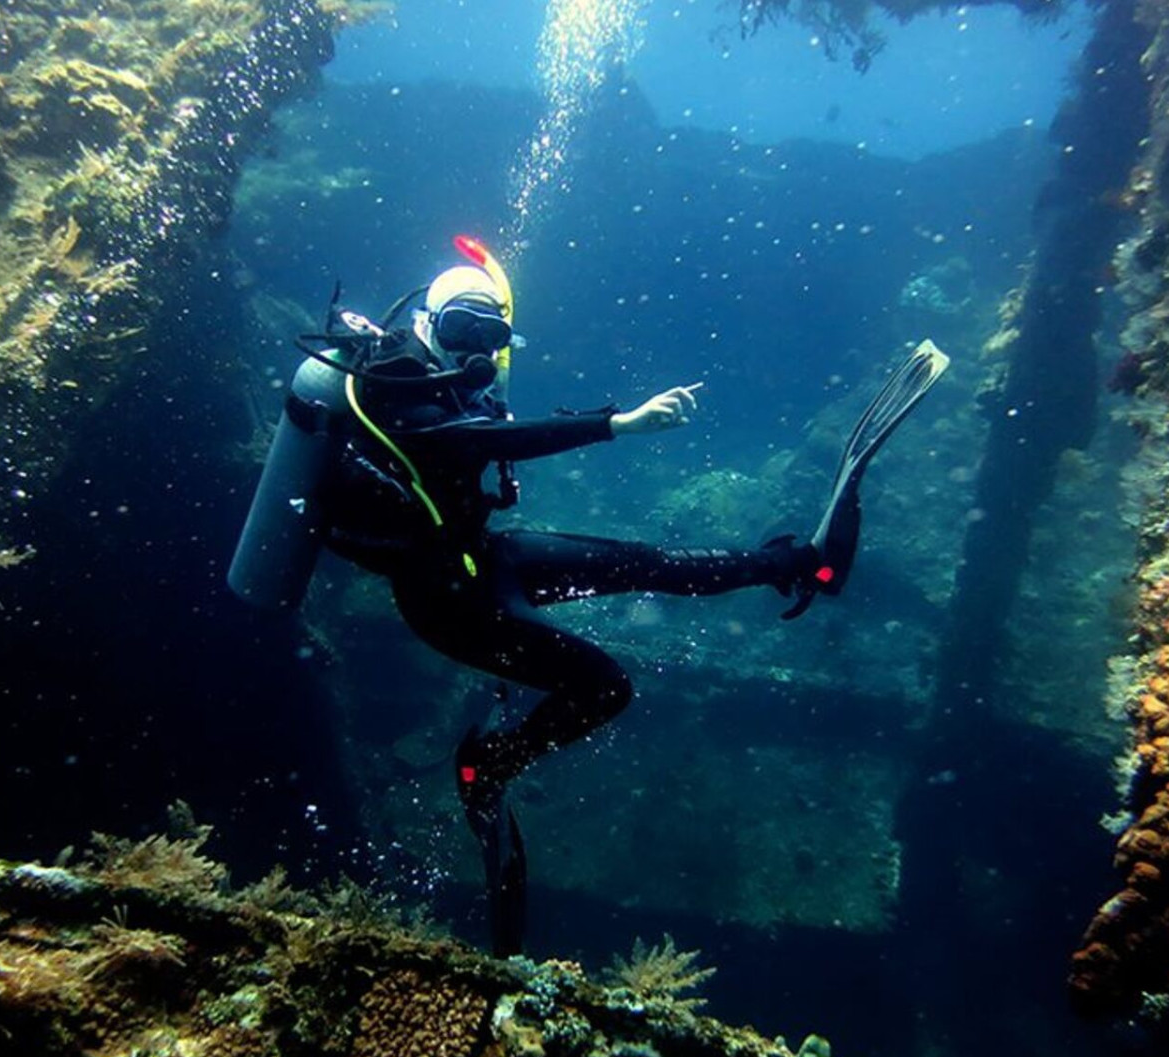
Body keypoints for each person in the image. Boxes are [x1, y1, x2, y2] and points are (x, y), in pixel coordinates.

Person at [229, 237, 948, 957]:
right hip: (447, 602)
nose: (476, 351)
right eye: (461, 334)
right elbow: (470, 442)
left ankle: (793, 563)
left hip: (481, 559)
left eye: (491, 337)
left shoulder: (450, 380)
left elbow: (486, 430)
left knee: (646, 563)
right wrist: (618, 424)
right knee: (606, 686)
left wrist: (490, 343)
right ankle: (488, 765)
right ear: (428, 324)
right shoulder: (392, 387)